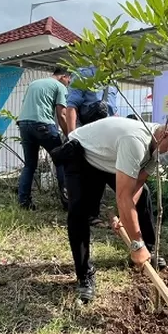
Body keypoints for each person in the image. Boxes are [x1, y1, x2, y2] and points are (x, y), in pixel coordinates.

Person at [54, 117, 168, 302]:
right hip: (83, 153)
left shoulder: (156, 147)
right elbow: (123, 196)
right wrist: (136, 242)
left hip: (109, 158)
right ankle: (84, 276)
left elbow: (138, 183)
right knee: (79, 213)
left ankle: (148, 251)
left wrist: (125, 215)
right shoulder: (136, 142)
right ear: (166, 136)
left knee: (143, 195)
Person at [66, 67, 119, 225]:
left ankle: (92, 214)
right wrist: (72, 137)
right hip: (86, 133)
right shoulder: (83, 74)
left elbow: (113, 111)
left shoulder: (114, 80)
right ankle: (86, 215)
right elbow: (71, 107)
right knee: (86, 173)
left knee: (101, 171)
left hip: (107, 133)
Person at [16, 67, 71, 210]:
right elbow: (62, 115)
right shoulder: (60, 86)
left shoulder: (34, 84)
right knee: (61, 160)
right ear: (64, 76)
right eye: (69, 81)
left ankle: (24, 202)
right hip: (43, 125)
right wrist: (70, 135)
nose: (68, 84)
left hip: (23, 124)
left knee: (29, 165)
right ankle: (68, 202)